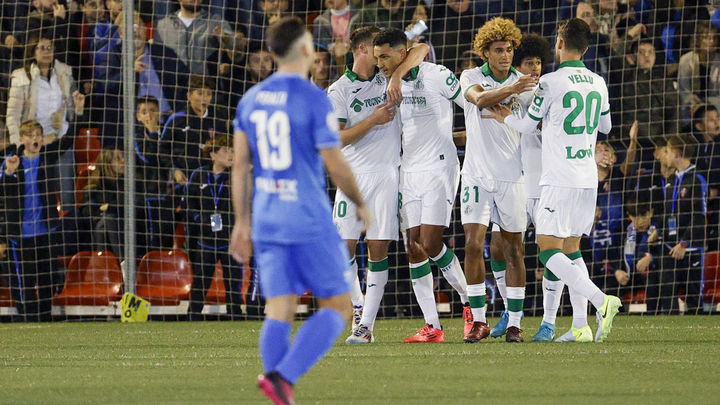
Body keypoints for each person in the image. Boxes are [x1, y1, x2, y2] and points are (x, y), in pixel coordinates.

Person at [230, 17, 370, 403]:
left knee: (280, 308)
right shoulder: (313, 98)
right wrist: (361, 203)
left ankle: (278, 392)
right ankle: (283, 377)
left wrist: (242, 223)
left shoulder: (252, 98)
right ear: (307, 50)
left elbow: (240, 165)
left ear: (273, 54)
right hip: (307, 217)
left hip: (268, 218)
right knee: (340, 308)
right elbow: (335, 163)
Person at [487, 18, 622, 343]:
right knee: (572, 251)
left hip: (558, 178)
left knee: (547, 251)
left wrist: (507, 116)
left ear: (560, 43)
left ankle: (601, 301)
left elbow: (528, 125)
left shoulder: (550, 81)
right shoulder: (598, 81)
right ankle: (580, 327)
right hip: (587, 179)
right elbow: (605, 127)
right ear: (586, 48)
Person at [329, 26, 428, 343]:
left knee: (378, 250)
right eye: (375, 48)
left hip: (387, 174)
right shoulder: (339, 90)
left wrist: (397, 77)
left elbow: (421, 47)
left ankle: (365, 326)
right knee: (342, 248)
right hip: (351, 176)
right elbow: (335, 138)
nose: (380, 55)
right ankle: (358, 307)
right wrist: (371, 120)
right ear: (360, 49)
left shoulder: (388, 75)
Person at [373, 28, 469, 343]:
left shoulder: (437, 75)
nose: (380, 64)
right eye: (376, 58)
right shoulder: (385, 84)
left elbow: (469, 104)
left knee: (429, 242)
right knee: (413, 247)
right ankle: (433, 326)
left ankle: (472, 304)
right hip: (409, 170)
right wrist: (395, 76)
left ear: (403, 52)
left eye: (385, 56)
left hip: (441, 167)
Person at [459, 18, 536, 343]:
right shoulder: (471, 76)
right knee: (473, 245)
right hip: (476, 174)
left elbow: (537, 127)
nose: (504, 55)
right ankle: (478, 320)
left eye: (508, 50)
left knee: (514, 250)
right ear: (485, 52)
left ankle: (515, 323)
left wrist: (518, 92)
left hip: (512, 177)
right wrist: (510, 90)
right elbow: (478, 99)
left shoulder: (527, 85)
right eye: (498, 50)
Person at [0, 90, 85, 322]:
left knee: (47, 277)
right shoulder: (11, 161)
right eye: (31, 135)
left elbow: (69, 140)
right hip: (21, 233)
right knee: (25, 280)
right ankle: (27, 318)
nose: (35, 139)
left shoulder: (47, 156)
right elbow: (4, 195)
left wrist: (77, 113)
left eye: (38, 134)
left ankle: (46, 317)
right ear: (22, 139)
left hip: (46, 229)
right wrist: (8, 172)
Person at [6, 34, 79, 208]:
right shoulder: (21, 77)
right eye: (42, 48)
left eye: (50, 48)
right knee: (39, 196)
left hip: (60, 141)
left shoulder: (64, 73)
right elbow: (13, 116)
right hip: (33, 147)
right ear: (33, 50)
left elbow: (73, 108)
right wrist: (18, 144)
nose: (47, 52)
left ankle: (67, 231)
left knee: (67, 195)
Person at [185, 135, 243, 320]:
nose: (231, 154)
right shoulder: (199, 175)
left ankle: (235, 316)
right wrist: (198, 218)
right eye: (226, 151)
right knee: (201, 281)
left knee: (233, 282)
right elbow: (188, 202)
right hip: (206, 239)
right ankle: (192, 316)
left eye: (232, 151)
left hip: (230, 239)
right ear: (212, 155)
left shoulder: (236, 176)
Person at [652, 135, 707, 314]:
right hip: (669, 246)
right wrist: (658, 232)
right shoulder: (672, 180)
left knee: (693, 299)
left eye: (666, 151)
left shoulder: (696, 179)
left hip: (688, 249)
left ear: (676, 154)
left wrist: (685, 243)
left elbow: (699, 216)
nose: (664, 155)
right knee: (667, 295)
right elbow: (668, 212)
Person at [163, 74, 227, 188]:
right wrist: (174, 170)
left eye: (208, 94)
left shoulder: (218, 119)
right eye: (200, 93)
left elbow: (224, 148)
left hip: (210, 181)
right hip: (183, 180)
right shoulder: (177, 119)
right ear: (189, 95)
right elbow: (162, 149)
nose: (205, 98)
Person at [154, 0, 240, 76]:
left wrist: (225, 38)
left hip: (205, 87)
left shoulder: (215, 21)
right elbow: (157, 58)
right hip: (174, 86)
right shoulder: (163, 25)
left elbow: (236, 48)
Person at [81, 147, 125, 258]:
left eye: (123, 157)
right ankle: (122, 263)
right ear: (107, 164)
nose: (123, 161)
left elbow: (126, 206)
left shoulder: (127, 183)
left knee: (105, 224)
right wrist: (108, 209)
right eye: (118, 159)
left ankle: (105, 266)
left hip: (127, 226)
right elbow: (88, 211)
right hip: (104, 227)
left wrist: (108, 207)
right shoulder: (94, 188)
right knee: (105, 224)